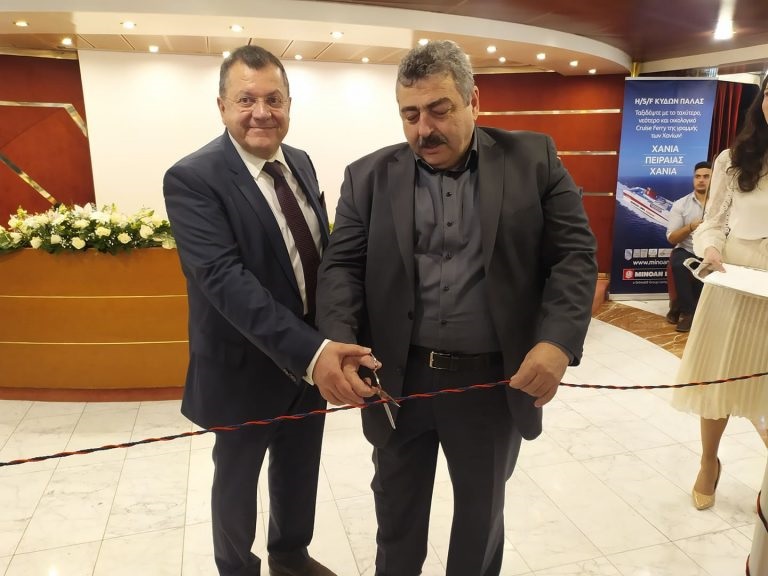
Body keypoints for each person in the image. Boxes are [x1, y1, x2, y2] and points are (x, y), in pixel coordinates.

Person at [315, 40, 597, 576]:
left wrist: (557, 340)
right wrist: (337, 340)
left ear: (474, 100)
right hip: (396, 380)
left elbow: (574, 256)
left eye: (439, 110)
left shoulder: (534, 160)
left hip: (491, 382)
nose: (424, 129)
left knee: (479, 518)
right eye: (410, 115)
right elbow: (341, 267)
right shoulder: (367, 177)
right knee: (396, 519)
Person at [163, 45, 375, 576]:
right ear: (222, 106)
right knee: (237, 482)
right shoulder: (192, 178)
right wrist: (314, 352)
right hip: (244, 370)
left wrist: (333, 335)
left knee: (300, 469)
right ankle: (237, 568)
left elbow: (319, 254)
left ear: (289, 105)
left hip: (309, 362)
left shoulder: (298, 161)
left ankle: (290, 555)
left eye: (274, 99)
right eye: (246, 99)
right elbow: (224, 280)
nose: (262, 112)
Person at [671, 76, 768, 511]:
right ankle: (709, 461)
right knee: (719, 376)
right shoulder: (733, 158)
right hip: (734, 275)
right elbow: (712, 221)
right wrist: (709, 248)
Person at [664, 161, 712, 332]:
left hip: (711, 250)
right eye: (697, 176)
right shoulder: (681, 204)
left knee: (707, 268)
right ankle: (688, 313)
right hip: (687, 249)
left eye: (706, 176)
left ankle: (678, 306)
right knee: (680, 264)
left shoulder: (721, 204)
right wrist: (690, 227)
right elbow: (672, 238)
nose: (701, 180)